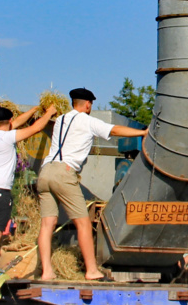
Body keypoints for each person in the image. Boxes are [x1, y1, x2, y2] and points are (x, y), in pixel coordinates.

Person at [36, 88, 148, 281]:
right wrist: (142, 132)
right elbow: (114, 130)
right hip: (65, 172)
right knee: (83, 223)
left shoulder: (61, 120)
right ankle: (91, 270)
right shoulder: (87, 120)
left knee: (47, 224)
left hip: (45, 172)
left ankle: (46, 271)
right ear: (87, 104)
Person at [0, 105, 56, 278]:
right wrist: (48, 113)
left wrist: (34, 109)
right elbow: (36, 128)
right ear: (9, 122)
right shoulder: (8, 137)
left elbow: (18, 122)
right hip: (0, 192)